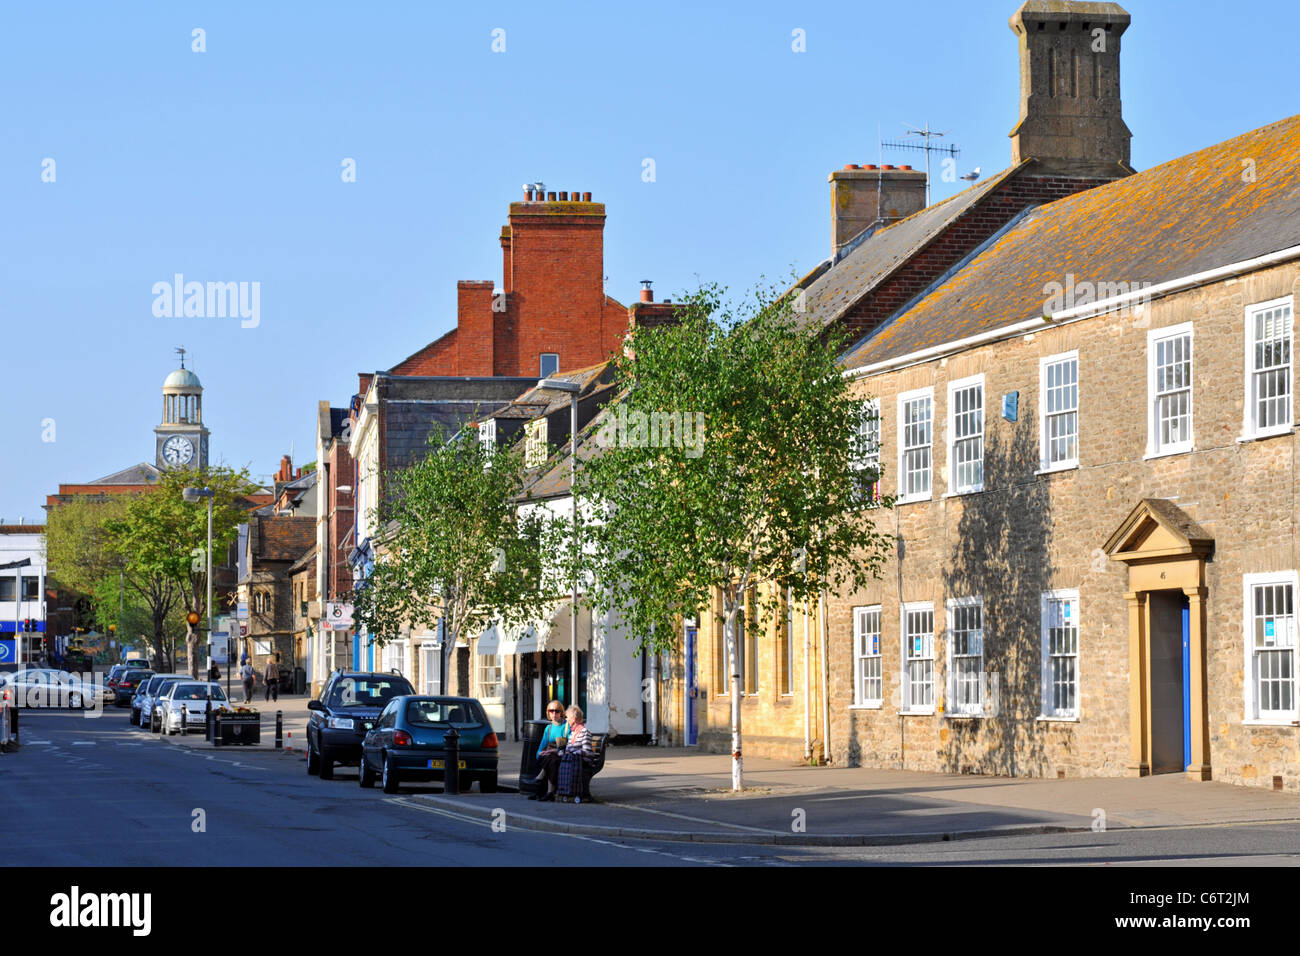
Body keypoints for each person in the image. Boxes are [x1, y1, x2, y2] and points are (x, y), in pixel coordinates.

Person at [530, 700, 568, 801]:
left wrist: (553, 751)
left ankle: (545, 787)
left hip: (561, 754)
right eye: (551, 711)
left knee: (552, 759)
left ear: (562, 713)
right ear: (548, 713)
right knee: (545, 759)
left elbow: (569, 745)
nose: (554, 713)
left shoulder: (567, 726)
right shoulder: (548, 728)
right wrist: (539, 753)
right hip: (549, 755)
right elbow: (542, 745)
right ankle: (546, 792)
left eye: (557, 711)